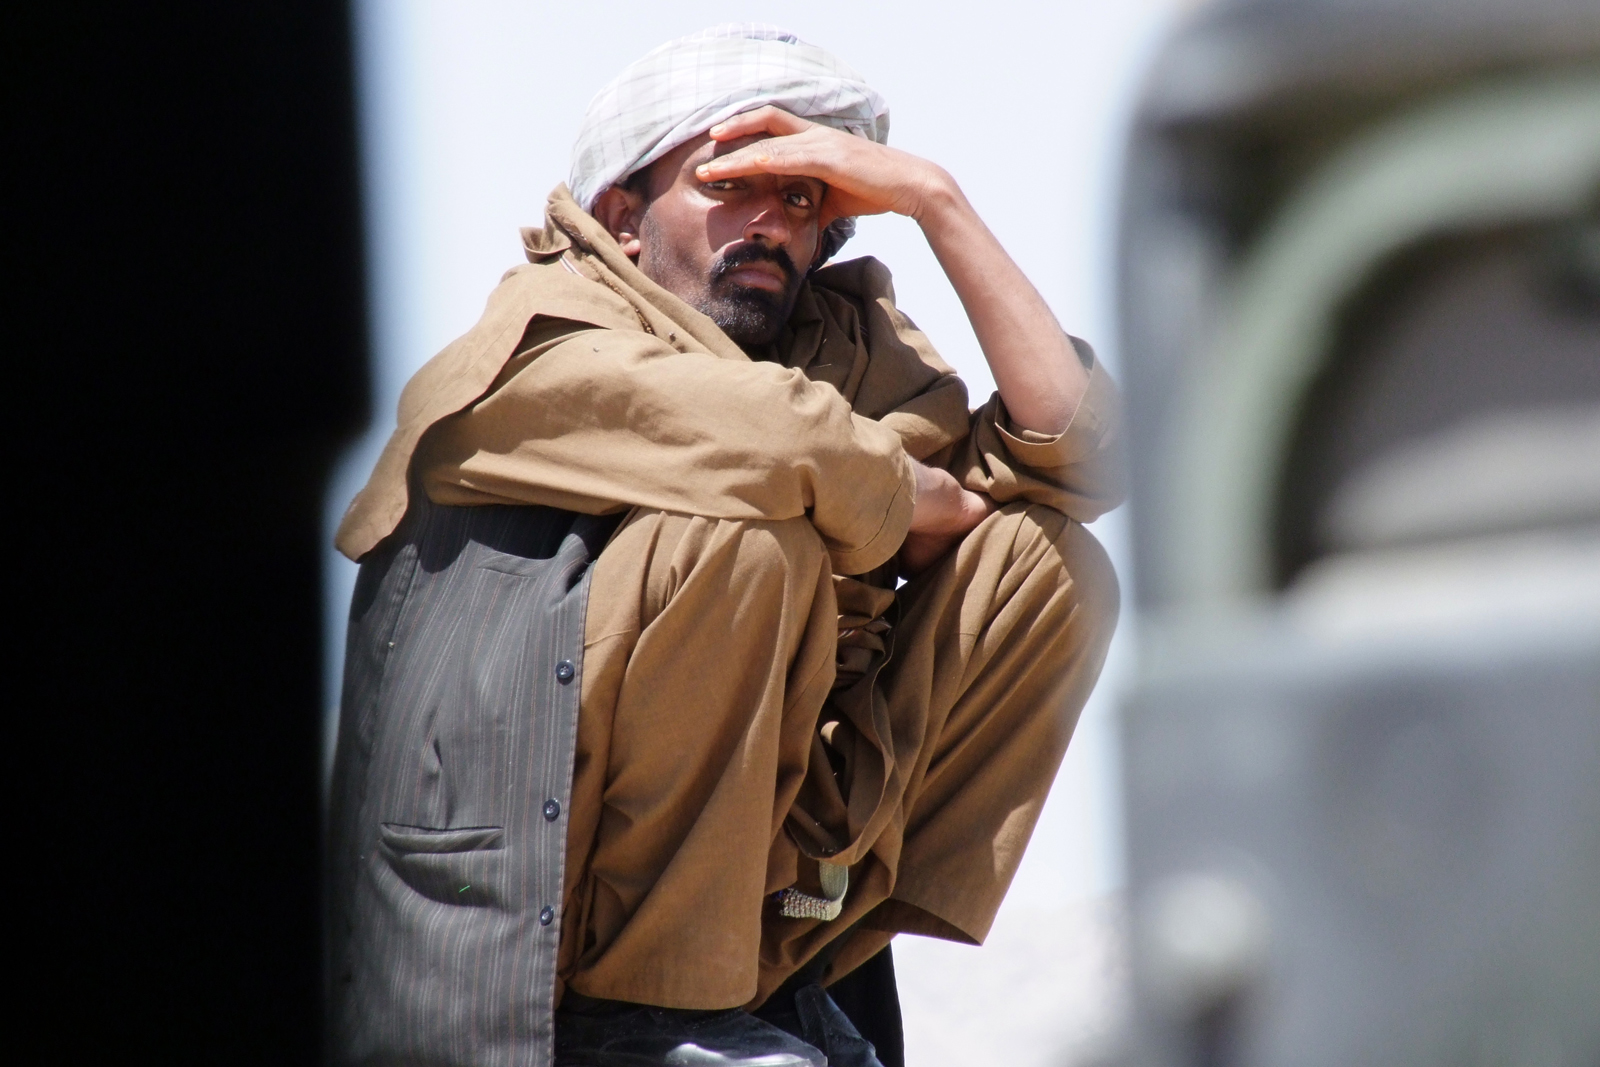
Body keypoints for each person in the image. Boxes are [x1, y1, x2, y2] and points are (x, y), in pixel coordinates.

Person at [328, 24, 1123, 1067]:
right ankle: (651, 1015)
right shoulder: (539, 338)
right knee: (746, 533)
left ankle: (770, 981)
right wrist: (892, 488)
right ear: (620, 216)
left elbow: (1077, 456)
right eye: (732, 185)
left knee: (1048, 561)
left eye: (801, 198)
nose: (772, 223)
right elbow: (759, 438)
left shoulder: (844, 356)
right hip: (515, 892)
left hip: (761, 885)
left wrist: (936, 200)